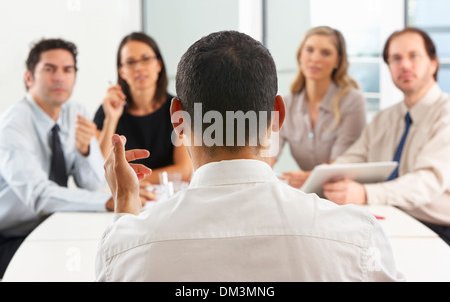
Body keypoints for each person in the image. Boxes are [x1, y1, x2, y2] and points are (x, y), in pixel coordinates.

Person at [95, 31, 403, 281]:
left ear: (178, 120)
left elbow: (120, 263)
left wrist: (126, 206)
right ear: (277, 116)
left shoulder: (126, 247)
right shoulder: (357, 237)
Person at [0, 38, 126, 278]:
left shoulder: (74, 112)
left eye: (67, 70)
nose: (60, 77)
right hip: (10, 236)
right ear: (29, 78)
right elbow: (38, 196)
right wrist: (108, 202)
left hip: (53, 225)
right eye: (49, 69)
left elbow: (92, 183)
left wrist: (86, 153)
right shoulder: (13, 125)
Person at [323, 27, 450, 246]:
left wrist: (365, 194)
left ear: (433, 63)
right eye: (396, 58)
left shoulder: (445, 114)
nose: (405, 65)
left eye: (414, 56)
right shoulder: (385, 119)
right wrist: (323, 177)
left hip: (438, 230)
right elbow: (354, 157)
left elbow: (427, 182)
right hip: (388, 219)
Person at [93, 32, 192, 193]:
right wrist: (111, 118)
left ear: (159, 65)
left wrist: (133, 180)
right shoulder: (108, 111)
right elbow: (98, 170)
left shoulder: (177, 108)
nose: (139, 68)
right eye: (130, 62)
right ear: (122, 71)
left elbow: (184, 171)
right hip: (123, 197)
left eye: (146, 59)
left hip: (167, 197)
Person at [272, 26, 366, 189]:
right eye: (309, 50)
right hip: (307, 193)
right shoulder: (285, 104)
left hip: (343, 191)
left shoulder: (353, 102)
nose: (315, 58)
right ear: (300, 55)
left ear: (338, 60)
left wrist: (309, 177)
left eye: (325, 53)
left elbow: (341, 165)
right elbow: (268, 155)